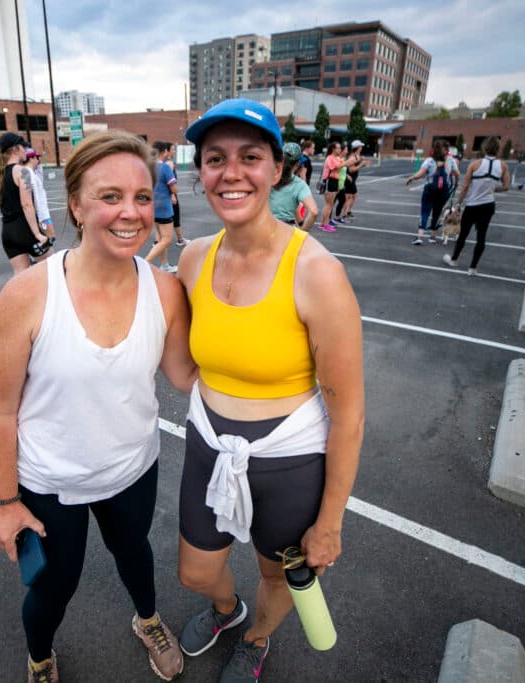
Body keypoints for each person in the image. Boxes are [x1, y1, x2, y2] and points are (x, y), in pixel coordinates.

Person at [0, 130, 197, 683]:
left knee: (135, 554)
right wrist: (6, 502)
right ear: (76, 204)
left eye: (143, 197)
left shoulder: (165, 291)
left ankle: (147, 618)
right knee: (55, 586)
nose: (131, 213)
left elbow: (185, 376)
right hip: (51, 480)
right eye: (110, 196)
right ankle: (41, 658)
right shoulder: (26, 296)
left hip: (132, 467)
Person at [176, 98, 365, 683]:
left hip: (288, 460)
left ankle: (256, 637)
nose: (231, 173)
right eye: (215, 159)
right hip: (208, 441)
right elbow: (182, 369)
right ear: (201, 171)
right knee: (196, 573)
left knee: (278, 575)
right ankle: (228, 612)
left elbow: (351, 415)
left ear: (278, 169)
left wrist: (330, 519)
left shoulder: (316, 273)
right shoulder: (192, 259)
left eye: (250, 157)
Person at [443, 136, 511, 275]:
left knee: (463, 235)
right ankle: (473, 268)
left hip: (473, 204)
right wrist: (493, 189)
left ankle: (454, 260)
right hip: (488, 205)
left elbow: (465, 186)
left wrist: (458, 205)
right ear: (498, 149)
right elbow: (506, 186)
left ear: (484, 148)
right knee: (482, 236)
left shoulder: (474, 164)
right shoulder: (503, 165)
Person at [0, 132, 52, 274]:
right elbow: (27, 205)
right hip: (25, 230)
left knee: (21, 277)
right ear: (15, 149)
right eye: (23, 146)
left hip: (8, 233)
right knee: (52, 269)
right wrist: (37, 234)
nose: (26, 150)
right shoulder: (23, 172)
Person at [405, 140, 453, 245]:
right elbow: (456, 174)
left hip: (430, 190)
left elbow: (420, 174)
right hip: (443, 192)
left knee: (425, 212)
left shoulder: (430, 161)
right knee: (437, 212)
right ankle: (432, 237)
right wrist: (456, 184)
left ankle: (420, 237)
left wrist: (412, 178)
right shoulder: (450, 161)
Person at [269, 142, 318, 232]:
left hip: (264, 226)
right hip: (286, 230)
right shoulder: (299, 184)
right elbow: (313, 212)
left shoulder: (268, 176)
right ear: (298, 163)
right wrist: (303, 232)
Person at [147, 140, 179, 273]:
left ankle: (164, 264)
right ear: (163, 152)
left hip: (152, 206)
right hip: (164, 208)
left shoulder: (148, 167)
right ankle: (144, 263)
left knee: (160, 237)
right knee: (167, 239)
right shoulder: (165, 167)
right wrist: (172, 193)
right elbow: (174, 188)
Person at [333, 140, 368, 223]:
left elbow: (356, 163)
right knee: (348, 197)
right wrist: (361, 165)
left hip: (352, 179)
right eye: (360, 146)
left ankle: (347, 212)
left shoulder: (356, 156)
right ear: (357, 148)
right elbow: (351, 170)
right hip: (349, 179)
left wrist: (361, 161)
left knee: (352, 196)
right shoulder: (352, 157)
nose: (361, 148)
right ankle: (345, 214)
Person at [25, 148, 56, 239]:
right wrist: (37, 216)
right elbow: (29, 195)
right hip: (41, 215)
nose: (38, 160)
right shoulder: (26, 173)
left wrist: (39, 166)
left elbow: (40, 179)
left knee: (47, 240)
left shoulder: (32, 172)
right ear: (31, 158)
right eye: (36, 157)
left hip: (42, 214)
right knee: (51, 238)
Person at [163, 144, 188, 247]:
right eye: (172, 149)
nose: (174, 151)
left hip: (166, 195)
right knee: (174, 217)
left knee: (163, 218)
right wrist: (173, 195)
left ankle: (157, 241)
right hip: (170, 194)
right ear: (167, 151)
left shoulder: (162, 164)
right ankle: (180, 239)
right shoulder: (169, 163)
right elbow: (169, 182)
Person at [317, 141, 345, 232]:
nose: (340, 150)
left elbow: (340, 168)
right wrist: (346, 163)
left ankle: (323, 224)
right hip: (330, 181)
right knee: (329, 204)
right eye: (338, 148)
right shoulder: (330, 158)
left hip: (334, 181)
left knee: (330, 204)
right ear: (333, 149)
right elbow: (334, 168)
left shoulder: (335, 158)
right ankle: (325, 224)